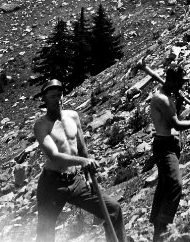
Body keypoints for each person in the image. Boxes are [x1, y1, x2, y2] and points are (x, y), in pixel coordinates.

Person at [33, 79, 125, 242]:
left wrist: (88, 176)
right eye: (52, 96)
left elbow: (83, 150)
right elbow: (53, 155)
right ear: (44, 100)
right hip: (52, 184)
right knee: (46, 233)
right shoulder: (41, 125)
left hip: (75, 181)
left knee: (113, 210)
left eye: (59, 95)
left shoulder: (73, 117)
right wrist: (82, 162)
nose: (57, 99)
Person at [148, 64, 190, 242]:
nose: (181, 85)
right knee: (175, 184)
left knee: (165, 186)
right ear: (171, 81)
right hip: (164, 146)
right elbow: (176, 124)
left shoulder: (168, 97)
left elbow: (172, 116)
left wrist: (180, 101)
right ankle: (165, 226)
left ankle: (157, 231)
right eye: (180, 82)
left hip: (169, 145)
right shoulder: (162, 99)